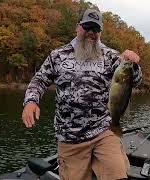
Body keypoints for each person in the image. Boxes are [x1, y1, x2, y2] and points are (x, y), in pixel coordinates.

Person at [22, 8, 142, 180]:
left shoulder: (111, 56)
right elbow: (39, 80)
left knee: (117, 173)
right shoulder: (57, 55)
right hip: (70, 137)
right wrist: (31, 101)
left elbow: (134, 80)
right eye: (87, 27)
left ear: (100, 32)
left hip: (104, 129)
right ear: (77, 27)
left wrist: (133, 64)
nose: (91, 33)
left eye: (96, 29)